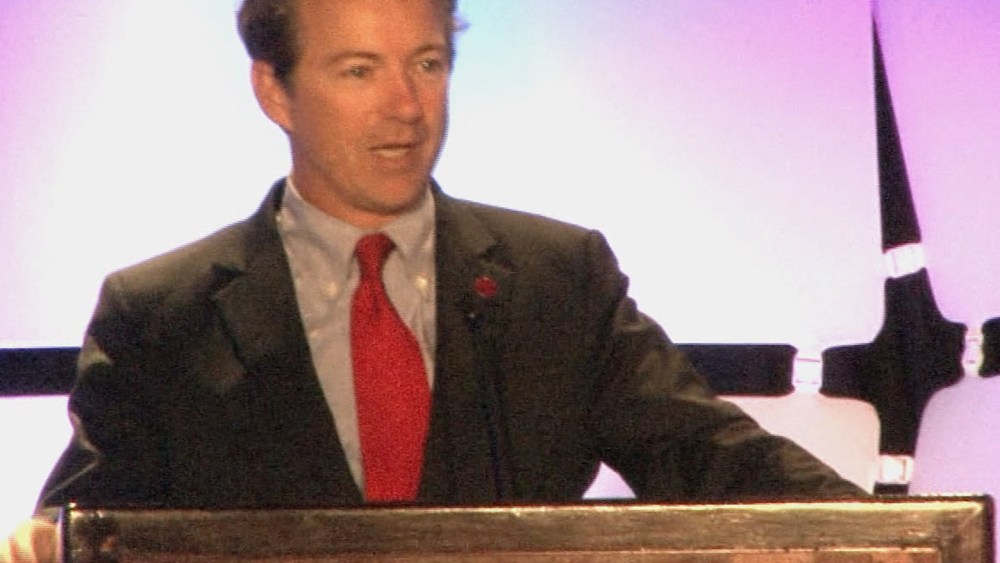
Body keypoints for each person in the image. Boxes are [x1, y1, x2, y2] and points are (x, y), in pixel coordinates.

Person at [2, 0, 865, 560]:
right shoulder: (161, 314)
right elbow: (85, 531)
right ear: (274, 91)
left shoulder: (556, 280)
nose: (407, 108)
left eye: (426, 63)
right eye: (359, 70)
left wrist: (889, 536)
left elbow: (712, 457)